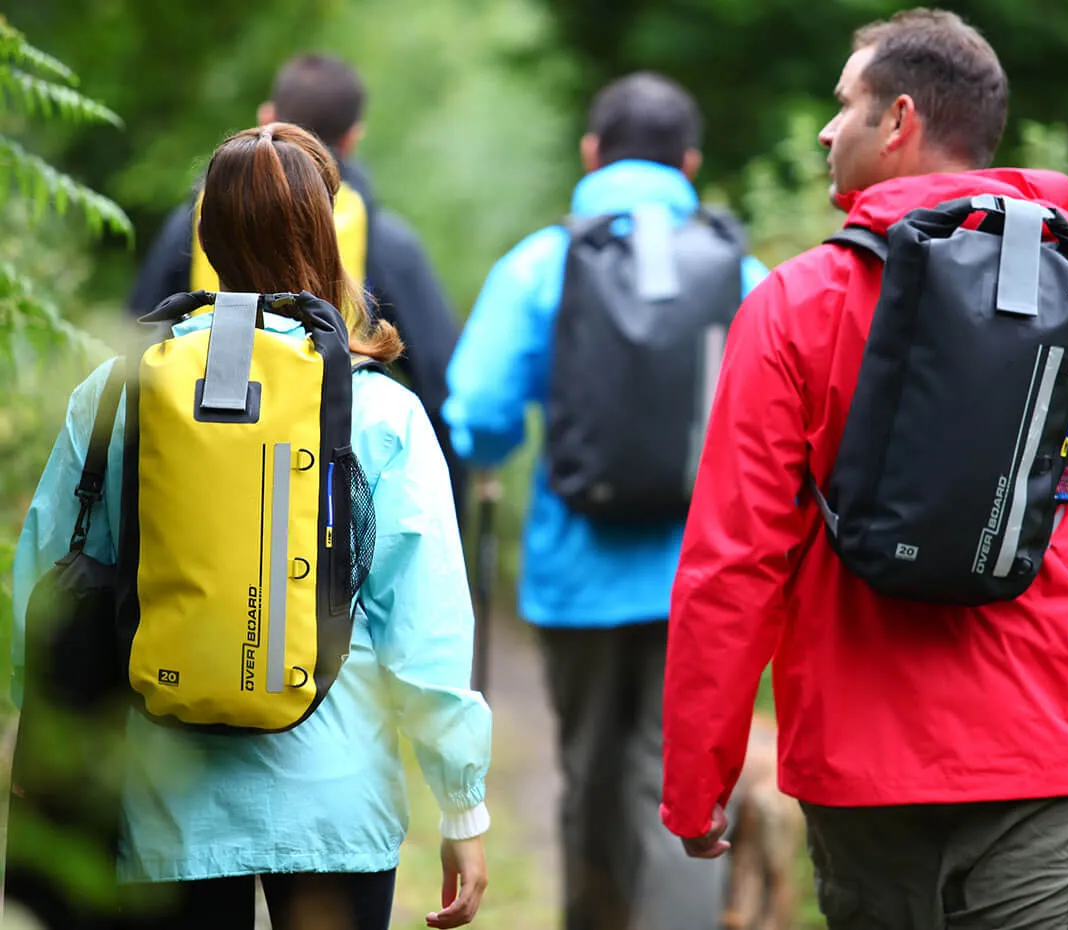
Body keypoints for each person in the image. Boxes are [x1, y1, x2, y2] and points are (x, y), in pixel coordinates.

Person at [659, 9, 1068, 930]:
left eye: (845, 105)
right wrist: (1023, 547)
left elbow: (734, 566)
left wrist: (697, 776)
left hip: (860, 774)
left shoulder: (792, 305)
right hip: (1037, 759)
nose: (829, 130)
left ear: (898, 120)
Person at [13, 122, 492, 930]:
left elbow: (46, 585)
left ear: (204, 237)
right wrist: (462, 806)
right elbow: (427, 626)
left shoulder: (120, 391)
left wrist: (44, 742)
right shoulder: (376, 409)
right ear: (327, 238)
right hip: (335, 804)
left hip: (171, 796)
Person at [441, 71, 769, 930]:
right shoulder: (739, 268)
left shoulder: (546, 260)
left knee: (588, 774)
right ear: (691, 162)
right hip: (706, 574)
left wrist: (491, 454)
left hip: (575, 572)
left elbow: (477, 412)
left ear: (591, 153)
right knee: (680, 780)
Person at [126, 53, 470, 525]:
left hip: (193, 487)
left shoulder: (191, 223)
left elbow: (128, 339)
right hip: (324, 506)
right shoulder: (388, 244)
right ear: (352, 138)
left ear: (267, 118)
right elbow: (439, 386)